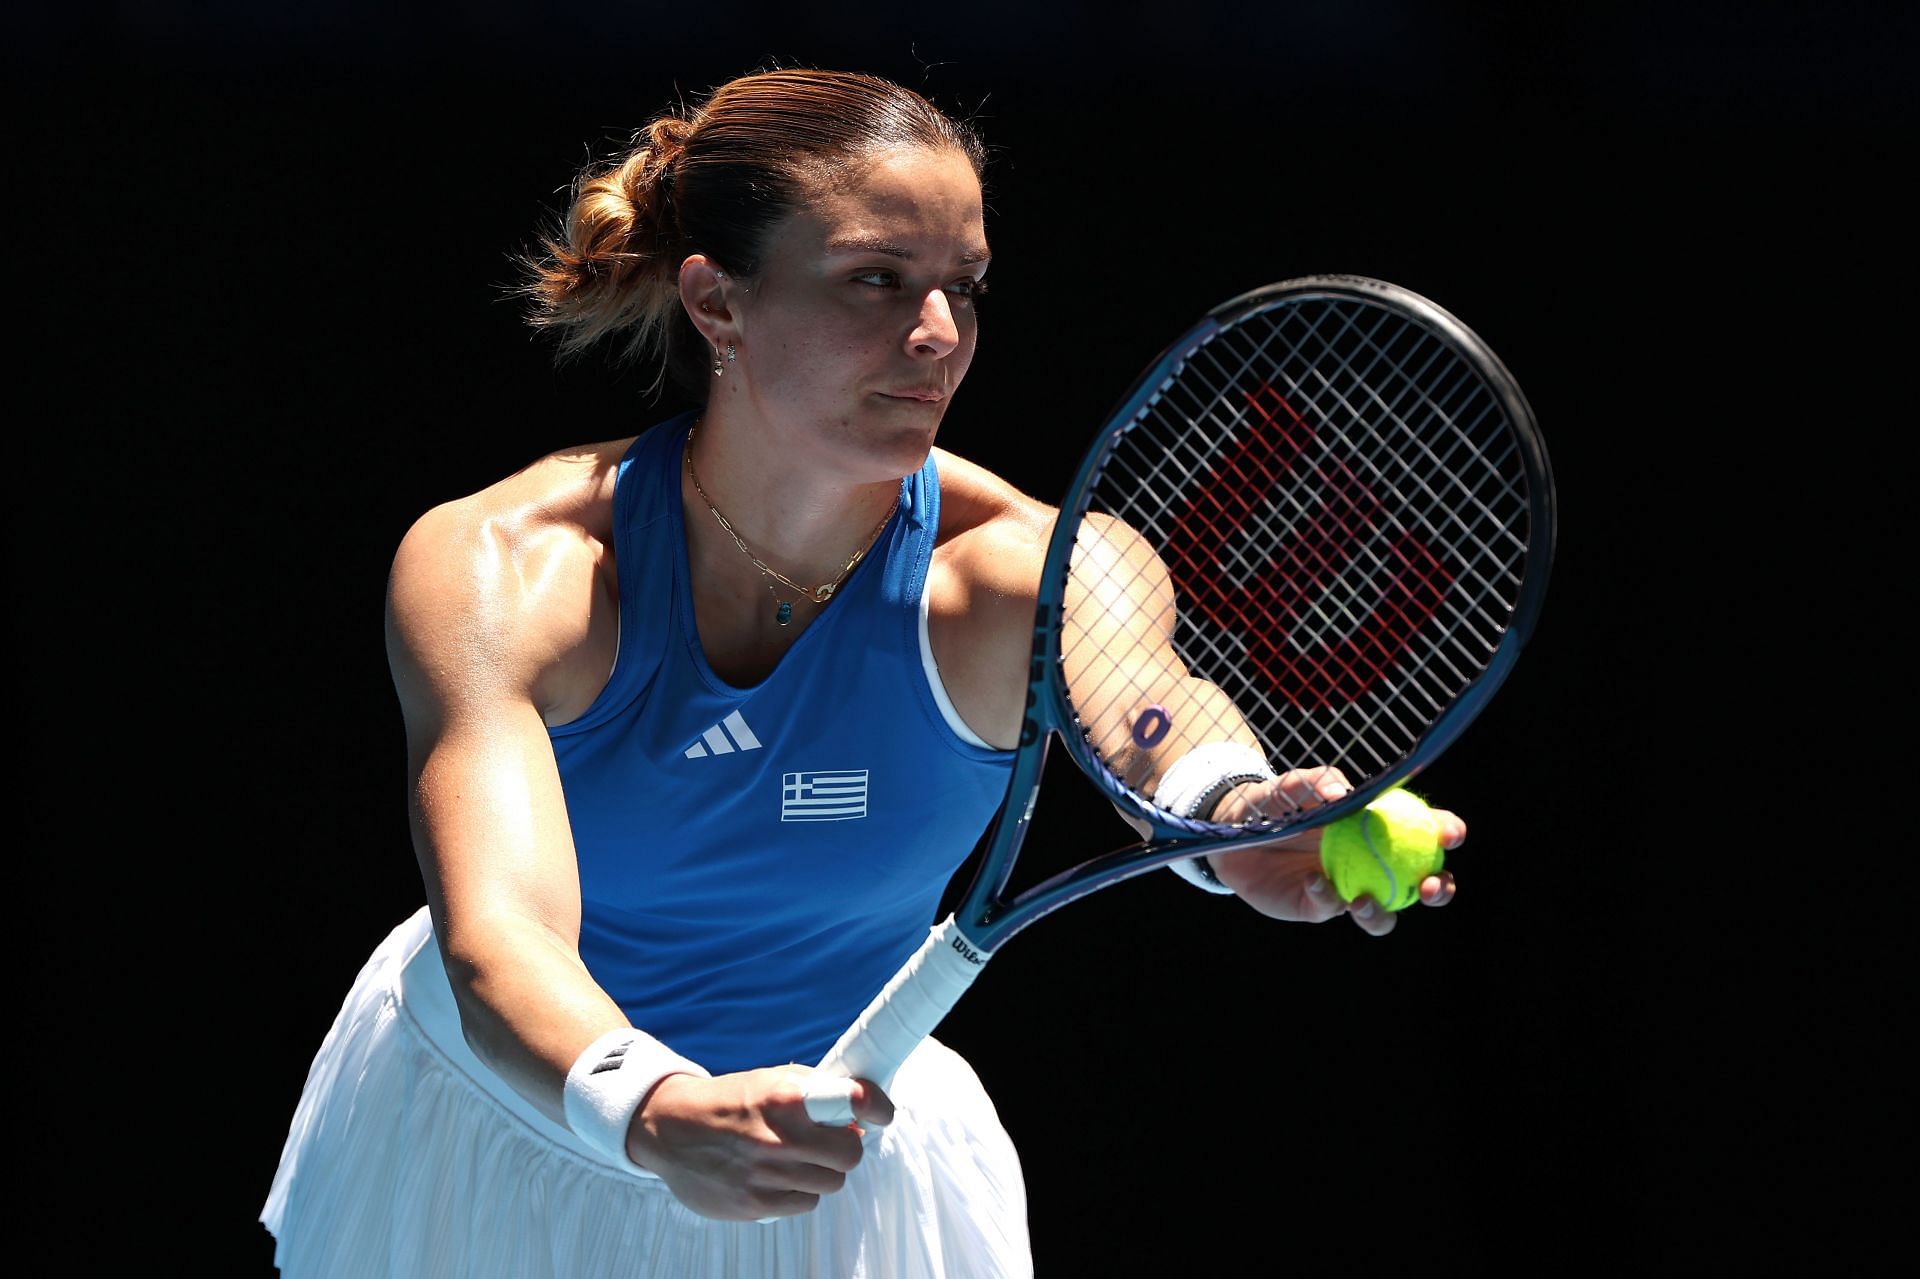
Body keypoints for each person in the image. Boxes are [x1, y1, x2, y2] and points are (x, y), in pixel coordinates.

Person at [259, 65, 1464, 1278]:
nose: (938, 334)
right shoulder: (510, 568)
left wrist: (1231, 811)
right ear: (718, 303)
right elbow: (498, 934)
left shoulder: (1028, 570)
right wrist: (651, 1108)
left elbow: (1156, 710)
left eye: (965, 288)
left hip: (834, 1159)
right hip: (518, 1136)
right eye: (877, 280)